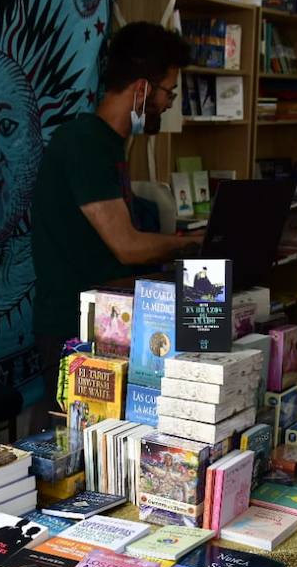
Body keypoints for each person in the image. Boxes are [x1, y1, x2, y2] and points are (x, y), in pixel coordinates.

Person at [30, 21, 201, 416]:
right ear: (142, 89)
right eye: (168, 91)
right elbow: (126, 246)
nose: (170, 102)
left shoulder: (109, 146)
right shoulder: (84, 143)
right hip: (74, 331)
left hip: (106, 319)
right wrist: (191, 243)